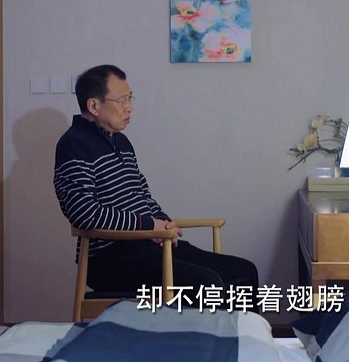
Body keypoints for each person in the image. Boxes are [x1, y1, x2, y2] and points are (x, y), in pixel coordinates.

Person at [53, 64, 258, 306]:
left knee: (243, 272)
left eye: (130, 98)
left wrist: (162, 221)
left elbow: (142, 195)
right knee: (206, 283)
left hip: (147, 243)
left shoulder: (121, 142)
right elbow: (84, 214)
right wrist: (151, 226)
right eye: (121, 100)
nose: (129, 107)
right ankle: (204, 333)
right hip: (110, 256)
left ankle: (241, 332)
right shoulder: (73, 145)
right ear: (94, 106)